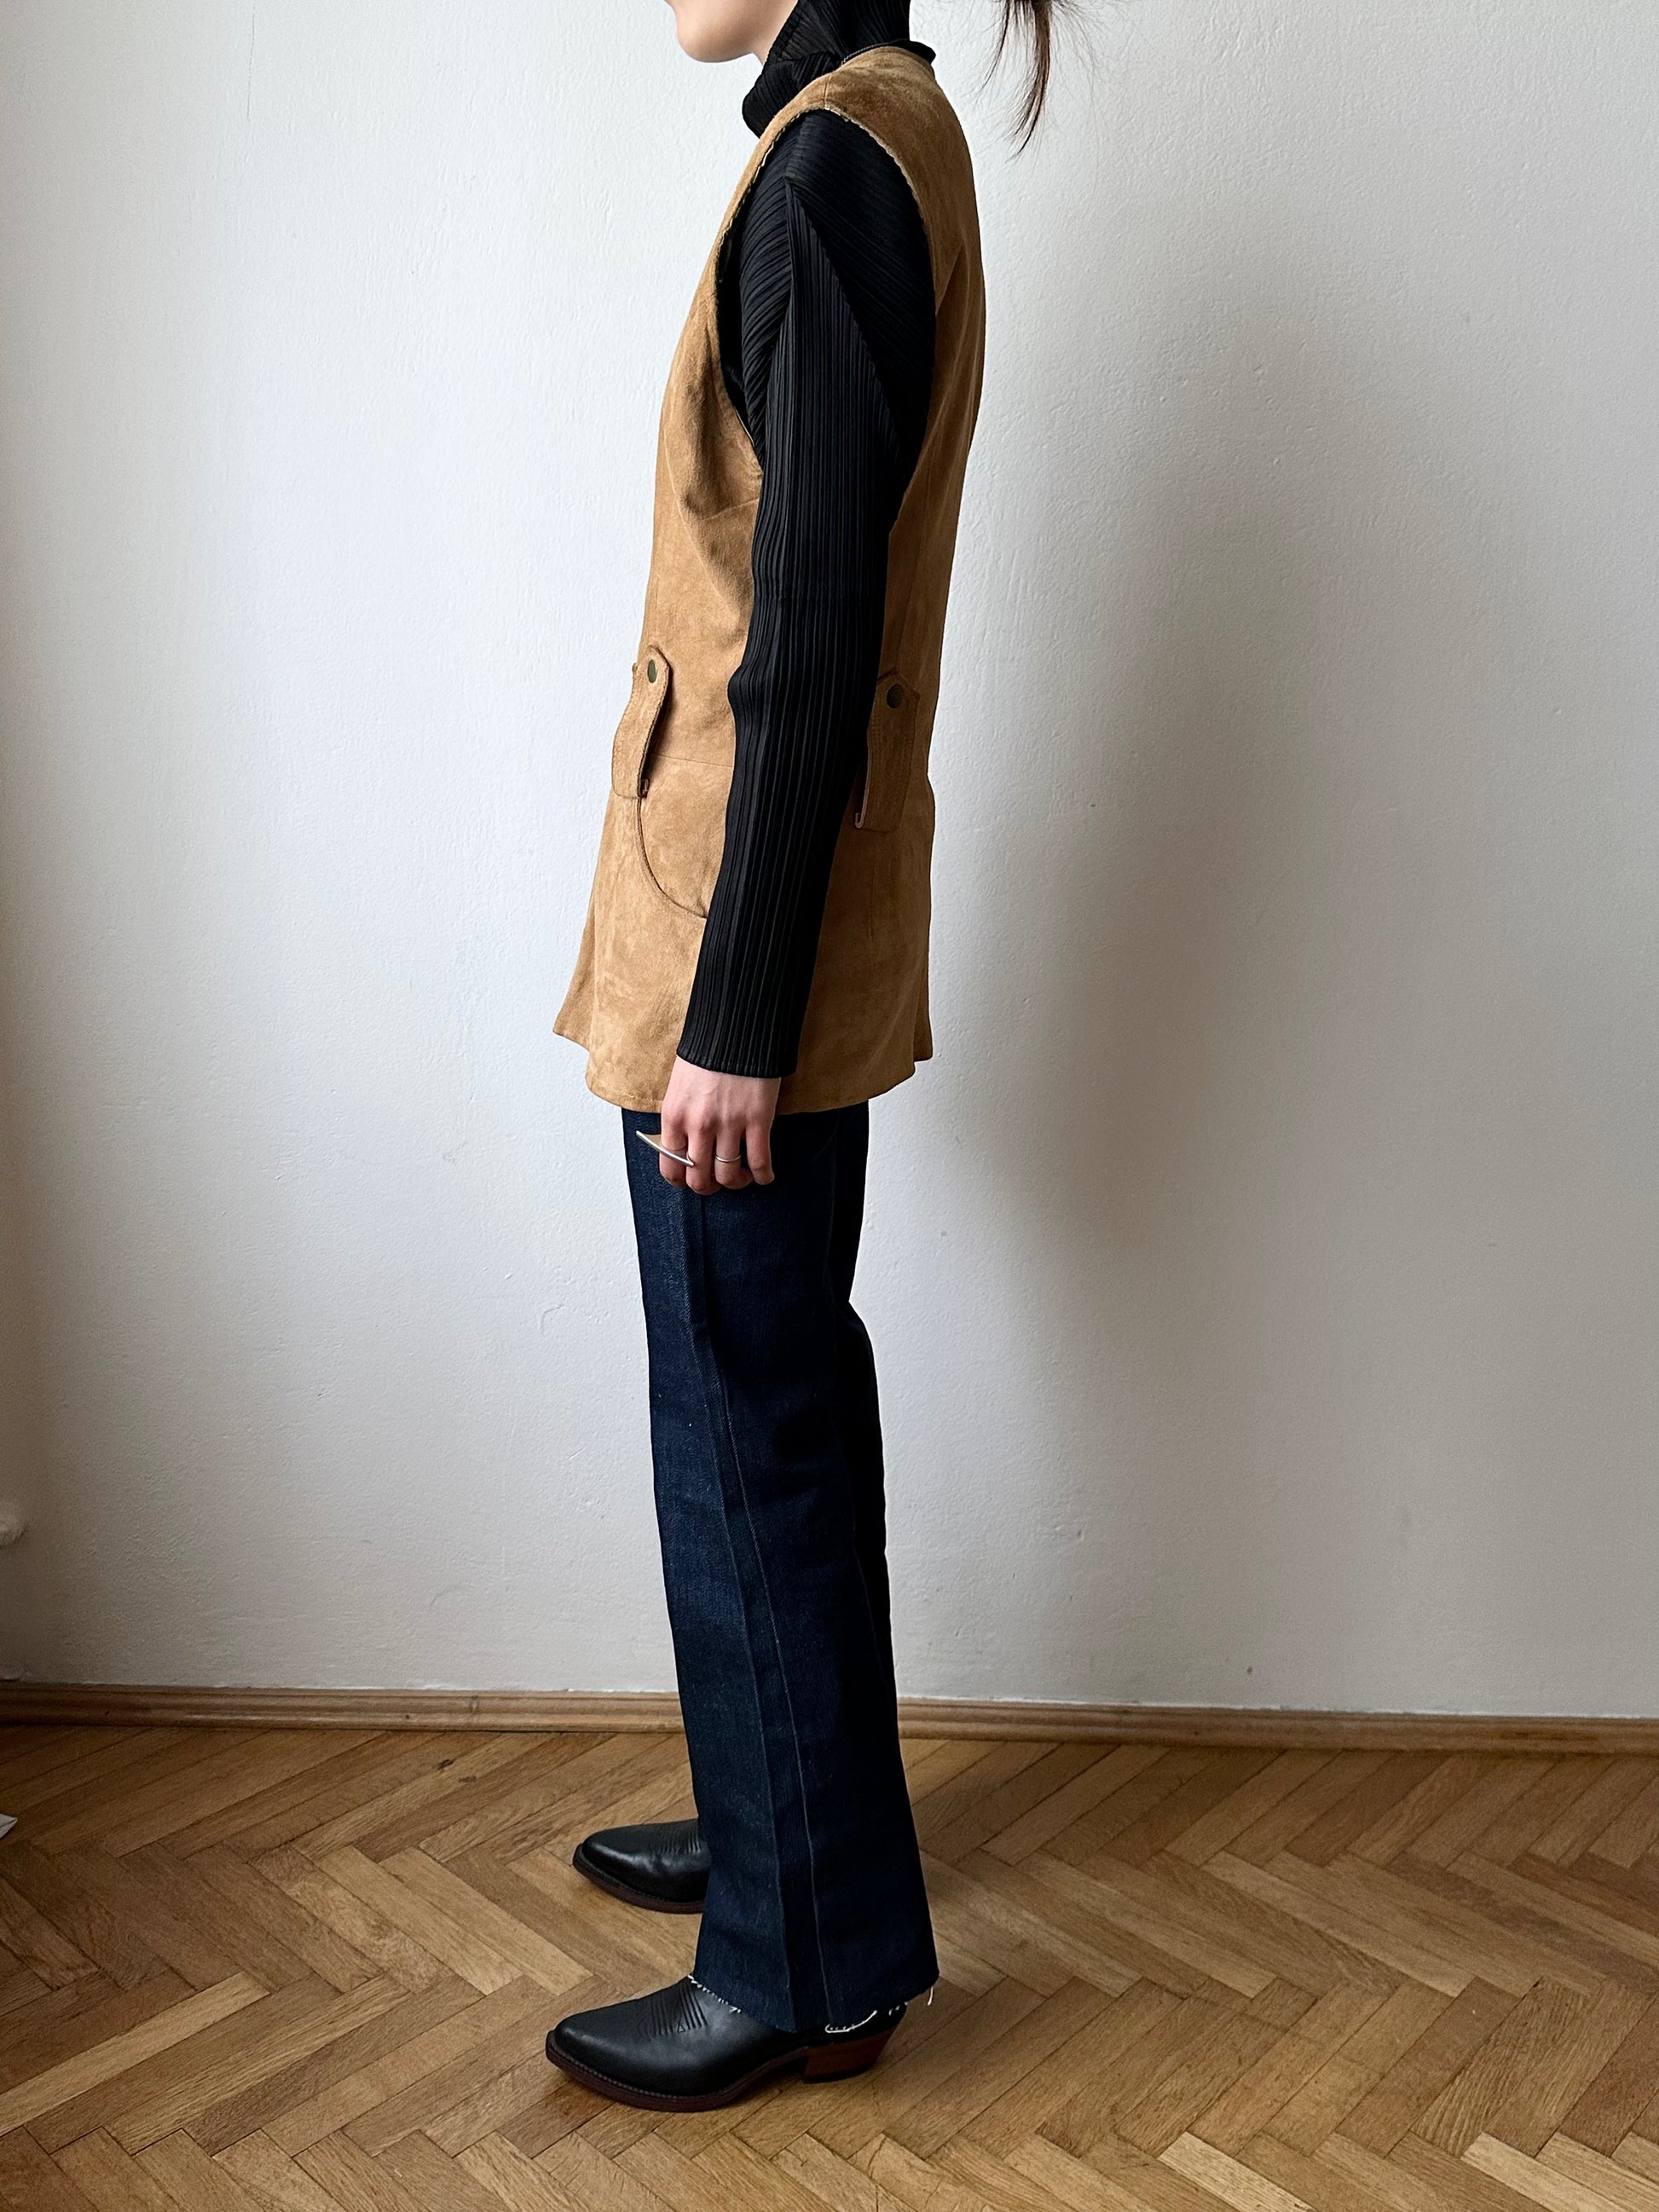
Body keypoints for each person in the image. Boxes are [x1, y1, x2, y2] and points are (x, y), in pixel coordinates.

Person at [546, 0, 1062, 2113]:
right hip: (766, 919)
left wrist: (736, 1022)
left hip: (731, 941)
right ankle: (786, 1823)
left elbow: (812, 631)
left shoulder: (830, 172)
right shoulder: (890, 131)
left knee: (741, 1420)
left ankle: (807, 1962)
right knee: (771, 1397)